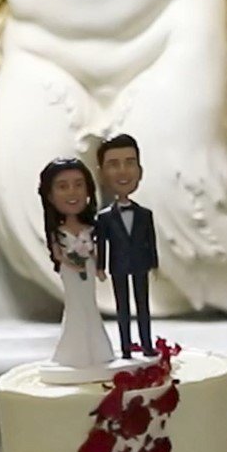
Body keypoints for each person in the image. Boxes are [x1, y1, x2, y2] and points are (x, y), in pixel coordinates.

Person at [38, 158, 118, 378]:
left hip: (89, 270)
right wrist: (70, 261)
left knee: (90, 305)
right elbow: (57, 254)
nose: (72, 192)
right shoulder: (58, 231)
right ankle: (72, 352)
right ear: (50, 195)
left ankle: (98, 350)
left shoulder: (92, 227)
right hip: (70, 272)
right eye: (63, 186)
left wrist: (99, 265)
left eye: (78, 184)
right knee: (75, 307)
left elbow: (98, 249)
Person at [94, 134, 158, 356]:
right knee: (122, 308)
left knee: (143, 306)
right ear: (102, 173)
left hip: (141, 264)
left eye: (129, 163)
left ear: (140, 170)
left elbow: (151, 240)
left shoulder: (145, 214)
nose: (123, 171)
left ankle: (147, 344)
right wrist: (100, 266)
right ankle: (126, 348)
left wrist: (154, 263)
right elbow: (101, 242)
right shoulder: (104, 218)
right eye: (113, 164)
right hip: (118, 265)